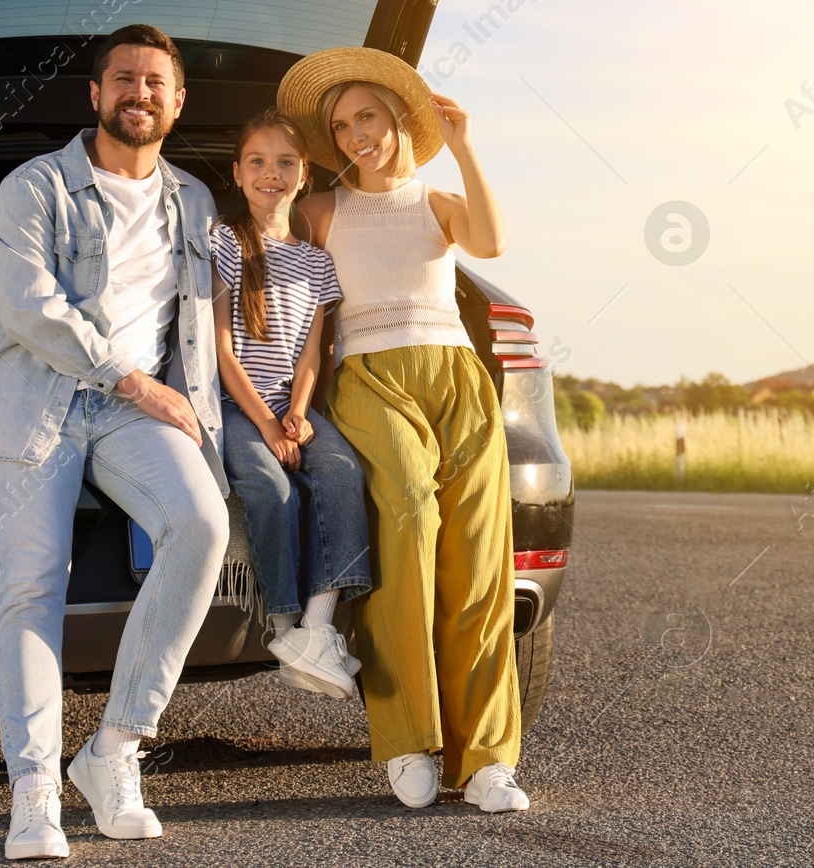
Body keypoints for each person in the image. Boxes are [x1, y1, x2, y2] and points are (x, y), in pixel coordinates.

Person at [0, 25, 231, 860]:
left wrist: (207, 420)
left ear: (178, 101)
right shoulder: (35, 187)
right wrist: (134, 381)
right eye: (124, 80)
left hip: (136, 410)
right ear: (95, 95)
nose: (140, 93)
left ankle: (112, 752)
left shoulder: (194, 200)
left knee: (201, 527)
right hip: (35, 399)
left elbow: (203, 329)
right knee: (33, 584)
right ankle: (33, 793)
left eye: (155, 82)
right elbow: (31, 308)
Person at [278, 47, 530, 813]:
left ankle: (487, 761)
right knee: (409, 525)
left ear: (398, 123)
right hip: (371, 378)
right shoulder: (322, 210)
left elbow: (490, 245)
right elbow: (289, 304)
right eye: (342, 124)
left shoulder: (437, 200)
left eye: (368, 118)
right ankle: (408, 740)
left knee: (480, 561)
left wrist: (463, 143)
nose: (356, 134)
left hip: (458, 378)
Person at [211, 107, 372, 699]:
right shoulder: (224, 244)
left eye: (284, 163)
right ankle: (283, 627)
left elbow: (313, 354)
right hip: (238, 405)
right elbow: (223, 354)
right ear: (238, 171)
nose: (270, 173)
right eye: (257, 161)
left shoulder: (317, 262)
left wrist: (299, 414)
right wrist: (268, 425)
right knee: (269, 484)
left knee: (341, 472)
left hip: (290, 404)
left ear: (304, 175)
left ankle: (318, 627)